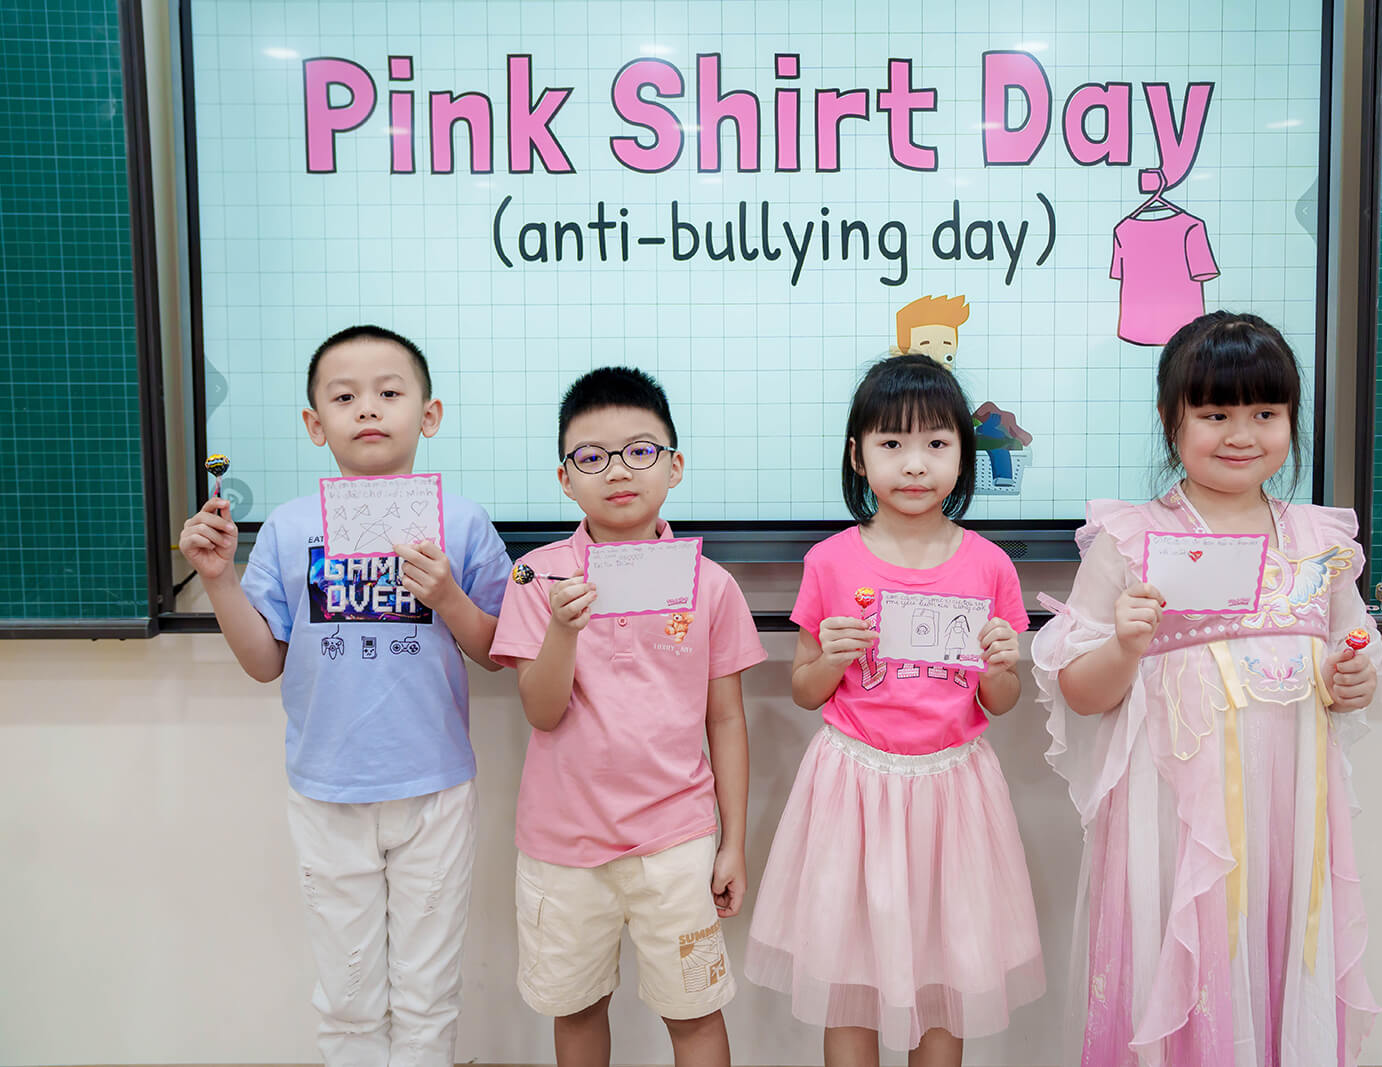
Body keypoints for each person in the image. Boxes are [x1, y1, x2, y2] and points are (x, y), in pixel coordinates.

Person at [1032, 311, 1382, 1066]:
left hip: (1288, 818)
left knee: (1274, 964)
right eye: (1216, 413)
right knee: (1185, 972)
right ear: (1173, 420)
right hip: (1172, 821)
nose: (1241, 434)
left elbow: (1350, 655)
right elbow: (1080, 691)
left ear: (1291, 420)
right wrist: (1126, 644)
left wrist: (1354, 677)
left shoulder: (1319, 543)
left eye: (1266, 413)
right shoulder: (1129, 540)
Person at [178, 324, 511, 1065]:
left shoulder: (462, 521)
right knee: (347, 996)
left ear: (429, 414)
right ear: (314, 423)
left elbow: (497, 653)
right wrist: (220, 580)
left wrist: (449, 597)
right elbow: (264, 662)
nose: (368, 408)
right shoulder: (290, 525)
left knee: (428, 995)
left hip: (434, 786)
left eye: (389, 392)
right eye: (344, 396)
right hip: (327, 788)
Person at [746, 353, 1044, 1064]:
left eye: (936, 443)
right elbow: (805, 689)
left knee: (946, 968)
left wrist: (1000, 666)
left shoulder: (990, 565)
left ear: (963, 456)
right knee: (850, 972)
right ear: (858, 456)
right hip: (853, 788)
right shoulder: (830, 561)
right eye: (892, 443)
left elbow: (1000, 701)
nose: (915, 464)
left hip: (953, 792)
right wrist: (832, 658)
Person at [489, 366, 766, 1067]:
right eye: (592, 457)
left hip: (676, 840)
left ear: (674, 465)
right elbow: (541, 711)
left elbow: (727, 721)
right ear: (565, 478)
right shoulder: (537, 576)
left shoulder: (711, 585)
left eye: (641, 451)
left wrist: (732, 841)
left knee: (695, 1012)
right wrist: (563, 630)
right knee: (578, 1008)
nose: (618, 470)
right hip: (563, 844)